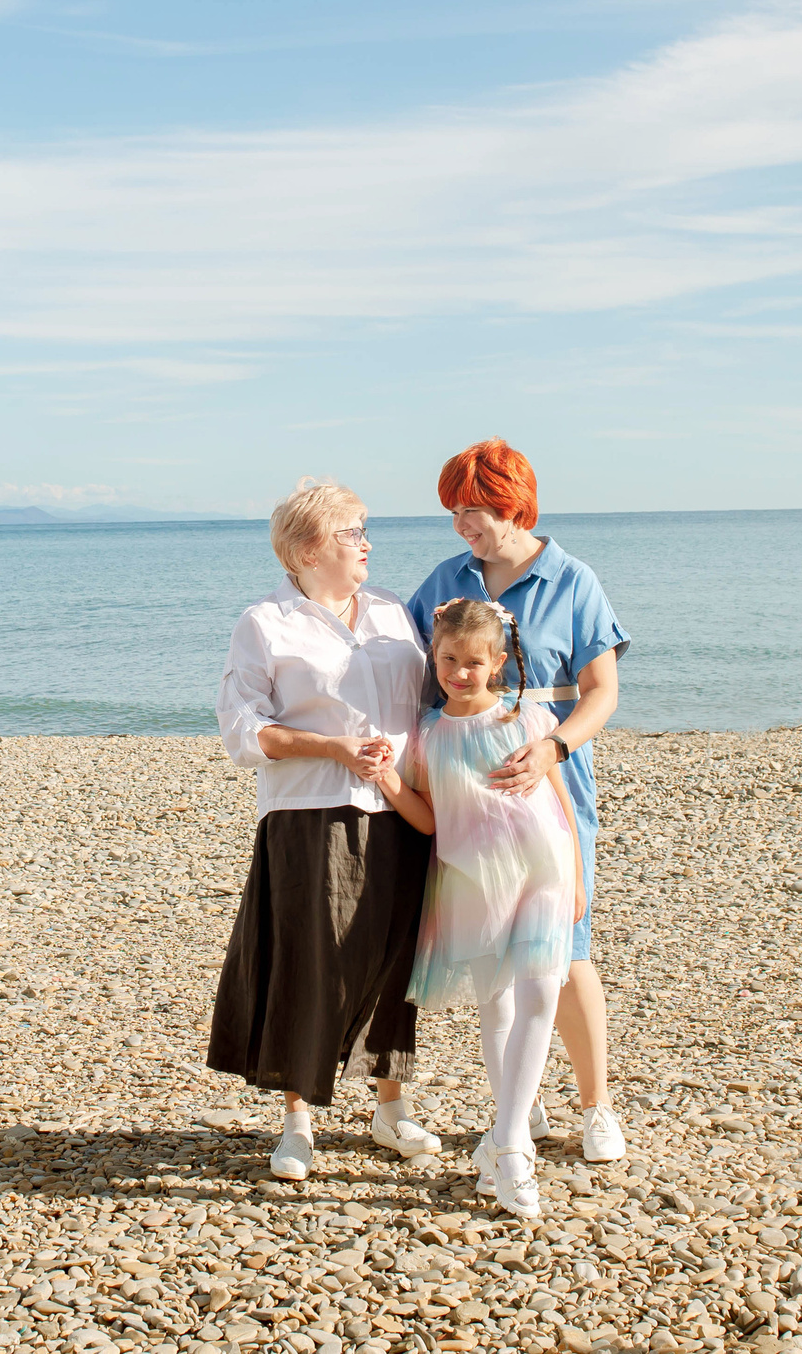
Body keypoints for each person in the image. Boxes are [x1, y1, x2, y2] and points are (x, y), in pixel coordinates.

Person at [208, 479, 444, 1181]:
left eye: (365, 530)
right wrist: (333, 748)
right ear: (309, 549)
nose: (366, 543)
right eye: (351, 532)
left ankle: (391, 1107)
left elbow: (433, 703)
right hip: (309, 812)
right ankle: (298, 1121)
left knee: (396, 960)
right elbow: (242, 730)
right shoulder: (265, 622)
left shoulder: (394, 612)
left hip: (400, 809)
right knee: (309, 962)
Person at [406, 438, 631, 1164]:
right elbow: (410, 671)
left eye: (472, 510)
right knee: (494, 956)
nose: (461, 525)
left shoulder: (572, 579)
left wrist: (553, 747)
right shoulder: (446, 580)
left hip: (548, 783)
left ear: (513, 505)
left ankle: (596, 1105)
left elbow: (602, 691)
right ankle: (518, 1108)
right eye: (454, 512)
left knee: (566, 947)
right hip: (464, 795)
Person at [396, 597, 582, 1220]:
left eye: (474, 662)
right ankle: (506, 1137)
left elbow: (560, 800)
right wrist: (388, 782)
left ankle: (510, 1147)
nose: (460, 673)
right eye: (449, 660)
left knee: (541, 995)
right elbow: (428, 818)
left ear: (498, 663)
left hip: (544, 868)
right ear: (434, 657)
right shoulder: (426, 733)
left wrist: (577, 876)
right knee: (496, 1005)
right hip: (472, 880)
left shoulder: (526, 718)